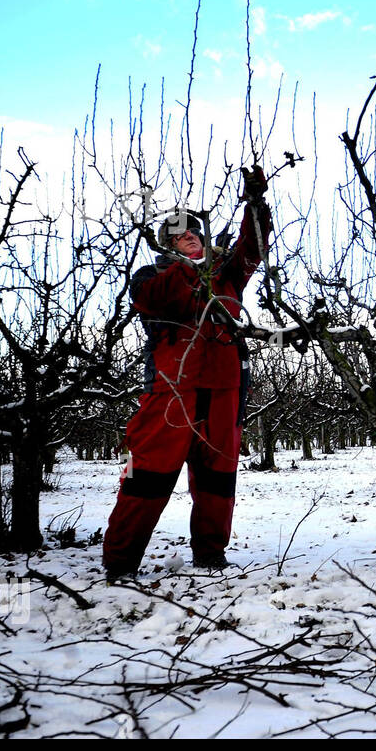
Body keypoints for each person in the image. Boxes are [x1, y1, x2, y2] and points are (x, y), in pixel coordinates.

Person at [101, 166, 272, 581]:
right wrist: (191, 265)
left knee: (218, 476)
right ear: (167, 246)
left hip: (225, 388)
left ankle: (211, 554)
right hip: (171, 389)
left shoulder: (227, 274)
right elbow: (157, 299)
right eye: (180, 236)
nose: (190, 237)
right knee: (148, 475)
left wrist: (255, 205)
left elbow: (255, 248)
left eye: (194, 232)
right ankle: (121, 561)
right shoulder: (152, 277)